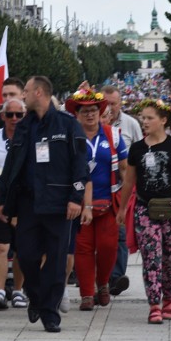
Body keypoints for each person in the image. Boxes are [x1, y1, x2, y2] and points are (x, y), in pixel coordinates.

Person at [0, 75, 89, 333]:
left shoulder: (68, 125)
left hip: (59, 205)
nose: (22, 96)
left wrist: (76, 198)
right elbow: (11, 164)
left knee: (57, 262)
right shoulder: (24, 126)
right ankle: (35, 296)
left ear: (38, 92)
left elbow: (81, 165)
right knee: (25, 256)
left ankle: (50, 313)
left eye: (25, 91)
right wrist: (4, 198)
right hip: (28, 203)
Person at [117, 98, 171, 325]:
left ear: (163, 120)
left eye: (150, 118)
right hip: (144, 208)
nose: (144, 122)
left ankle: (169, 300)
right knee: (152, 257)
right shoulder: (137, 148)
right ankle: (154, 304)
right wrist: (122, 209)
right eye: (143, 118)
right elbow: (129, 182)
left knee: (170, 258)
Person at [66, 87, 127, 311]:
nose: (90, 115)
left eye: (93, 110)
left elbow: (124, 169)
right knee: (82, 249)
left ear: (100, 112)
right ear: (77, 114)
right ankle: (86, 294)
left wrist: (129, 198)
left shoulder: (113, 135)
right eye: (84, 111)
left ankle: (102, 283)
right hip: (78, 203)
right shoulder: (71, 137)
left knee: (108, 247)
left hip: (108, 202)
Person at [0, 98, 27, 310]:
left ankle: (18, 290)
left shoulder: (30, 139)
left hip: (22, 203)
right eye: (10, 115)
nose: (15, 119)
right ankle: (0, 290)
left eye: (19, 115)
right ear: (3, 117)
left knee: (21, 248)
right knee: (1, 246)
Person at [101, 84, 143, 297]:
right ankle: (100, 278)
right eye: (106, 104)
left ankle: (117, 277)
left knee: (120, 233)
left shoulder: (130, 124)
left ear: (120, 103)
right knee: (100, 237)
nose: (110, 108)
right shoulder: (93, 125)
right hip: (99, 188)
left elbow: (141, 151)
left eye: (113, 104)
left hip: (122, 187)